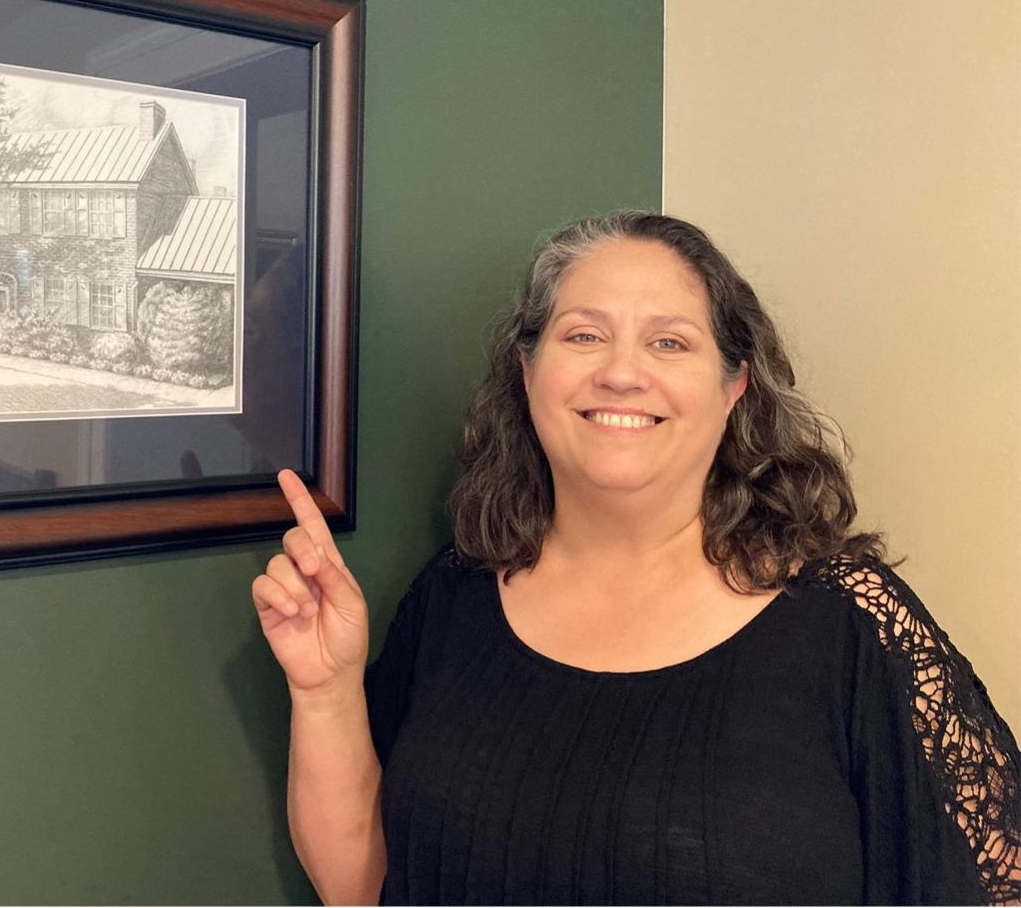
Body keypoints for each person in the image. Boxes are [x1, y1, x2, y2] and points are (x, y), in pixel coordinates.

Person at [252, 211, 1020, 905]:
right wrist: (324, 691)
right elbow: (362, 888)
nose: (621, 372)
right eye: (583, 335)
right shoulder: (453, 596)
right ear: (528, 375)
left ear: (733, 388)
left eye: (669, 342)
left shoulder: (850, 624)